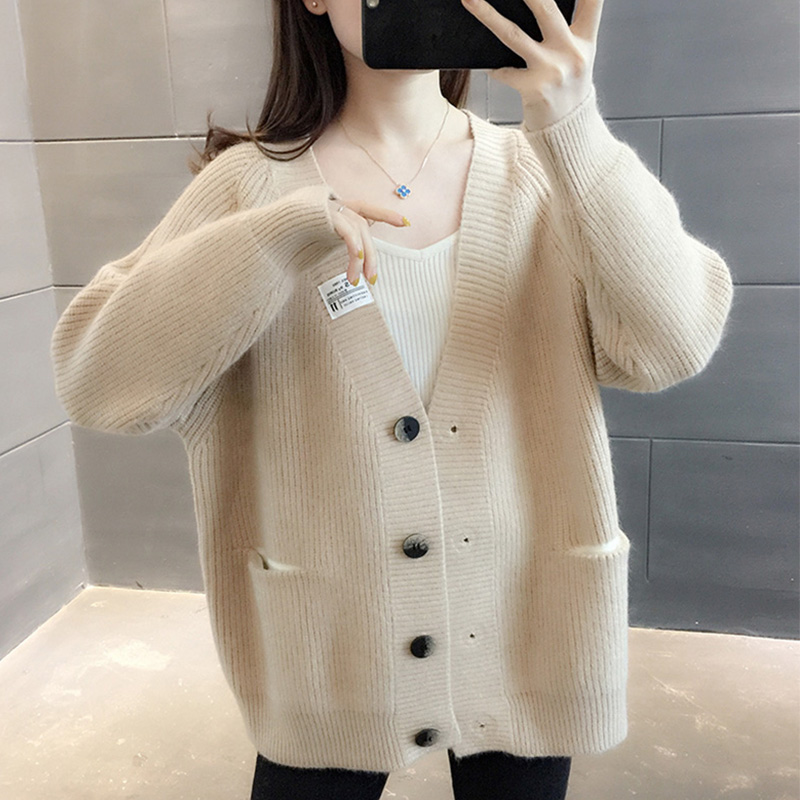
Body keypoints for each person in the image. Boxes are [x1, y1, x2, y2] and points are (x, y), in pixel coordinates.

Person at [49, 0, 734, 797]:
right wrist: (274, 239)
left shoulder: (548, 170)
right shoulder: (251, 188)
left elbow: (672, 343)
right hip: (329, 648)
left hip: (529, 619)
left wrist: (573, 126)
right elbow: (97, 384)